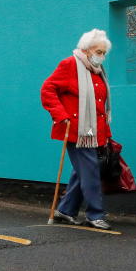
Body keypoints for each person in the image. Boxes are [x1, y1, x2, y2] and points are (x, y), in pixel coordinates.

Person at [41, 29, 114, 230]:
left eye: (104, 53)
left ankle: (65, 210)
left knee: (83, 171)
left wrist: (106, 133)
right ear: (86, 49)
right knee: (90, 171)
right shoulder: (70, 65)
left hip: (93, 132)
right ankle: (95, 214)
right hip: (75, 131)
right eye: (99, 51)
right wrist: (61, 115)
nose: (102, 56)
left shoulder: (97, 71)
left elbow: (100, 105)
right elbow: (48, 89)